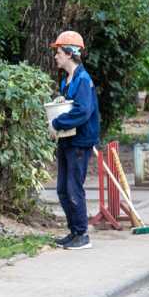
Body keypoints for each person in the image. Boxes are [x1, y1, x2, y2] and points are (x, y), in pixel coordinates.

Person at [48, 31, 100, 250]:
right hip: (67, 140)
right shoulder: (67, 80)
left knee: (73, 187)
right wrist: (62, 101)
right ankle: (73, 231)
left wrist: (57, 123)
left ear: (69, 53)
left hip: (79, 141)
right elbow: (72, 105)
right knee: (61, 188)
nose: (56, 56)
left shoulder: (83, 79)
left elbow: (83, 111)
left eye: (58, 52)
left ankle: (82, 234)